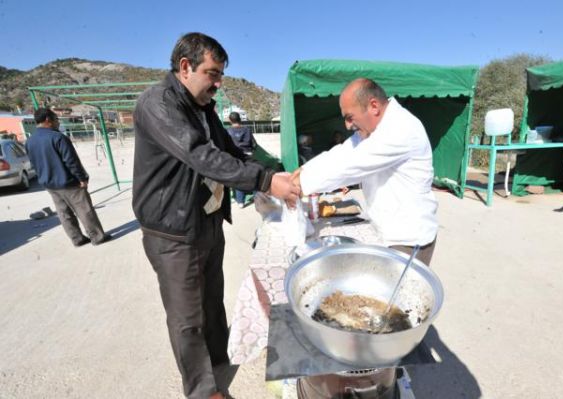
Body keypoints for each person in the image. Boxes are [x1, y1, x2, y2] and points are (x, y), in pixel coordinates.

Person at [132, 32, 299, 399]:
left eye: (220, 74)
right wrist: (268, 183)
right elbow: (200, 156)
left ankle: (218, 358)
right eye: (212, 73)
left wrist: (277, 172)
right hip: (173, 231)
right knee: (186, 318)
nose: (218, 83)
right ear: (185, 67)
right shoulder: (158, 104)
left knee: (211, 300)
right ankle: (203, 390)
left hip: (205, 220)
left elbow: (228, 152)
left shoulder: (203, 107)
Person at [292, 78, 438, 265]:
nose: (347, 125)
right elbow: (342, 153)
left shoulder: (401, 129)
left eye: (349, 117)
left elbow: (349, 166)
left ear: (374, 106)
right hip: (388, 231)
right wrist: (301, 171)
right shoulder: (373, 130)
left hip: (407, 239)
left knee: (399, 293)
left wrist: (297, 185)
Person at [25, 107, 111, 247]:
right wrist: (82, 178)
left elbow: (34, 163)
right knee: (84, 210)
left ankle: (77, 239)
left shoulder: (30, 141)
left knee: (64, 213)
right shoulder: (58, 137)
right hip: (69, 183)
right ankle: (97, 237)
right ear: (48, 120)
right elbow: (71, 161)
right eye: (56, 119)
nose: (58, 122)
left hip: (50, 184)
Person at [226, 111, 254, 208]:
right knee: (252, 175)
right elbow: (254, 144)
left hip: (235, 156)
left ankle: (240, 201)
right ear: (240, 119)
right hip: (248, 154)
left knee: (239, 177)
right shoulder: (247, 130)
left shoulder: (227, 131)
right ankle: (257, 196)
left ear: (230, 120)